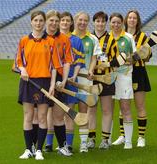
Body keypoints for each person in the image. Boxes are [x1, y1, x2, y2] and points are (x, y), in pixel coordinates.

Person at [14, 10, 60, 160]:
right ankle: (29, 149)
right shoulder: (24, 41)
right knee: (28, 116)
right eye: (36, 20)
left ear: (44, 22)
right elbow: (18, 62)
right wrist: (23, 70)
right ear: (31, 22)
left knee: (42, 117)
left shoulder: (51, 42)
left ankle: (39, 149)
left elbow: (54, 67)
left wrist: (52, 85)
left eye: (41, 20)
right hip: (27, 81)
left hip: (44, 82)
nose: (39, 23)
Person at [45, 11, 85, 153]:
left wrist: (72, 76)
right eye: (62, 20)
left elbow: (77, 62)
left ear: (71, 23)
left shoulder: (74, 40)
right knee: (49, 113)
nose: (64, 23)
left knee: (66, 113)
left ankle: (67, 144)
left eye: (67, 21)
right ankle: (48, 144)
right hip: (49, 79)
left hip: (67, 80)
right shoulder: (46, 37)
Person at [112, 10, 152, 147]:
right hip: (123, 72)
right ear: (126, 20)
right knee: (123, 106)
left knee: (140, 105)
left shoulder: (143, 37)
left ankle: (141, 137)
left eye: (134, 18)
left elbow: (147, 56)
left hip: (138, 72)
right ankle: (123, 135)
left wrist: (139, 55)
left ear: (138, 21)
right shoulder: (120, 36)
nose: (132, 20)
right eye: (130, 17)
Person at [87, 11, 121, 149]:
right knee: (91, 109)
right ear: (94, 22)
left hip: (106, 79)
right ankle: (91, 139)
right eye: (97, 21)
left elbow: (118, 60)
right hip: (90, 79)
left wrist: (107, 64)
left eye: (102, 21)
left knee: (107, 110)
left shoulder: (111, 39)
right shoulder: (88, 38)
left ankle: (105, 140)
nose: (100, 24)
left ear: (105, 23)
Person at [44, 10, 74, 156]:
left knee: (58, 115)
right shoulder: (39, 38)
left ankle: (63, 146)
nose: (54, 23)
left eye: (57, 21)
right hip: (41, 79)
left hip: (59, 80)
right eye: (51, 20)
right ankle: (36, 148)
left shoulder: (64, 39)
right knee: (39, 115)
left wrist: (63, 80)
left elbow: (67, 61)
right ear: (46, 21)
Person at [73, 11, 102, 153]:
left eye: (85, 20)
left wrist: (91, 70)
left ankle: (83, 144)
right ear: (75, 20)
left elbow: (94, 58)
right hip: (70, 78)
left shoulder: (92, 39)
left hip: (85, 77)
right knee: (68, 110)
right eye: (80, 20)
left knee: (84, 110)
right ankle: (66, 142)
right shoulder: (67, 37)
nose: (82, 23)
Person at [109, 12, 136, 149]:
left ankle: (128, 141)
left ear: (122, 23)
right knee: (108, 109)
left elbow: (135, 57)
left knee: (125, 107)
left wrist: (124, 60)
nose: (116, 25)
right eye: (113, 22)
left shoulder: (128, 37)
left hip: (124, 76)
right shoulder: (106, 38)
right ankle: (106, 140)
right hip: (109, 77)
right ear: (110, 23)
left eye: (118, 22)